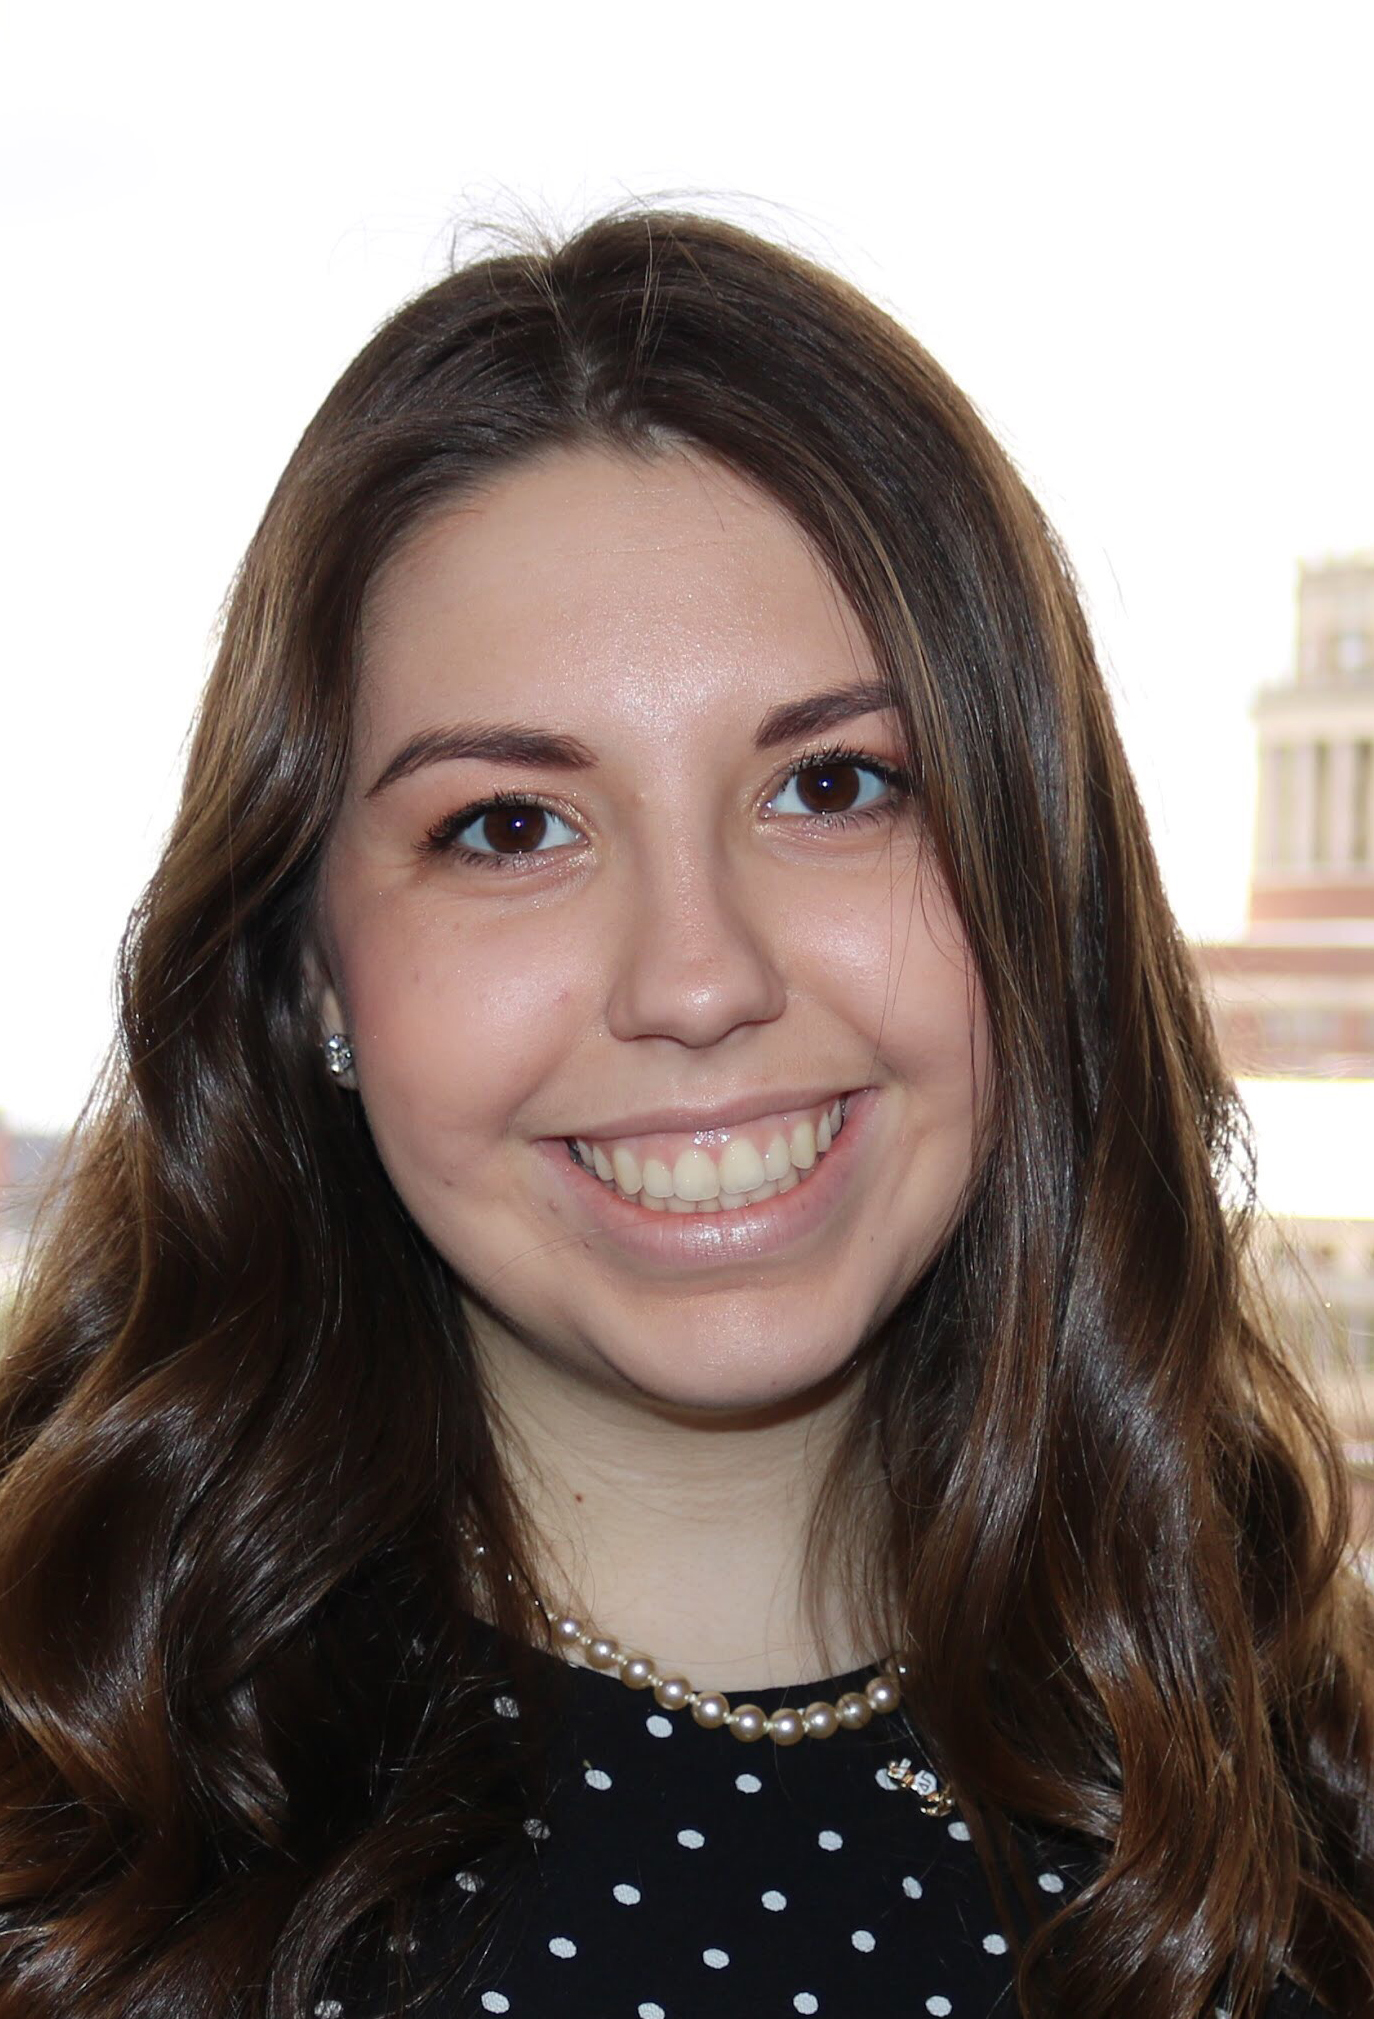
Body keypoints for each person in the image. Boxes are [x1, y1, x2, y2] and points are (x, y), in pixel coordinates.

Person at [0, 208, 1368, 2019]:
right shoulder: (63, 1824)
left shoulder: (1306, 1814)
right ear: (308, 968)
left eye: (835, 785)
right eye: (508, 826)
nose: (697, 978)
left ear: (1037, 882)